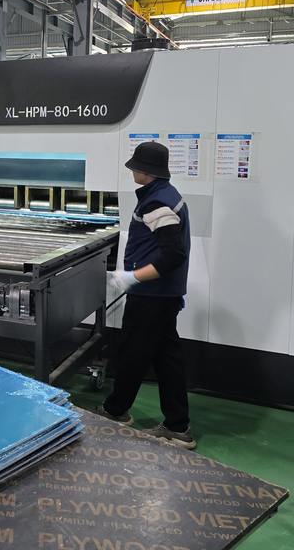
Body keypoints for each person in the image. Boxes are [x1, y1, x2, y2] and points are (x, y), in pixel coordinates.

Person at [99, 141, 195, 450]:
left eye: (135, 167)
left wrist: (132, 277)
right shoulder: (164, 194)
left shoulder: (157, 203)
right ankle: (178, 426)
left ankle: (115, 411)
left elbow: (173, 255)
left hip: (153, 296)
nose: (132, 172)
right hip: (163, 295)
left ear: (145, 171)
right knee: (167, 358)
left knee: (133, 353)